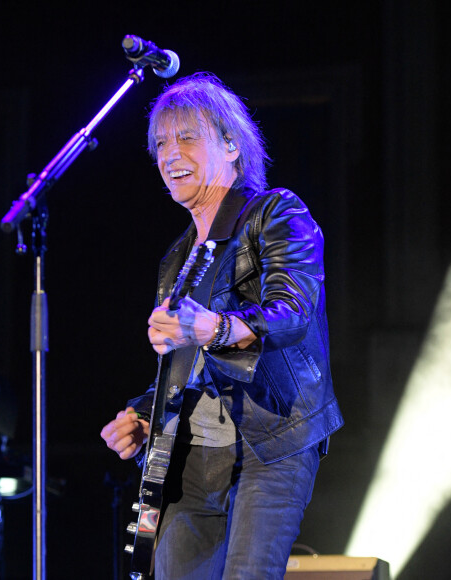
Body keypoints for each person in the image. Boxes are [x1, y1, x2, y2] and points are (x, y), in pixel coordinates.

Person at [100, 72, 344, 579]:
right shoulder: (176, 259)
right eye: (161, 143)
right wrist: (143, 413)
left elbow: (293, 312)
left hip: (272, 442)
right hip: (192, 456)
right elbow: (185, 364)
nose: (170, 154)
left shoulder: (276, 213)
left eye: (187, 136)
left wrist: (215, 327)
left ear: (231, 145)